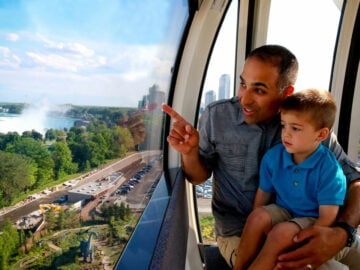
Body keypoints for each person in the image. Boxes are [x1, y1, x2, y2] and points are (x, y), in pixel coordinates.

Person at [162, 44, 360, 269]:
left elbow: (355, 181)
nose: (244, 99)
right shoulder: (217, 116)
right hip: (240, 233)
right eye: (243, 84)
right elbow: (198, 177)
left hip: (308, 225)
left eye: (259, 90)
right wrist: (190, 152)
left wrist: (342, 232)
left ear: (286, 93)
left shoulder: (307, 122)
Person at [233, 89, 347, 270]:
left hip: (312, 218)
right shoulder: (273, 157)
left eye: (295, 128)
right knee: (257, 217)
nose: (286, 133)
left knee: (282, 232)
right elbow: (263, 194)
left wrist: (305, 243)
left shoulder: (330, 169)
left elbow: (327, 217)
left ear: (321, 135)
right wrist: (258, 224)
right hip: (285, 211)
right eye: (284, 125)